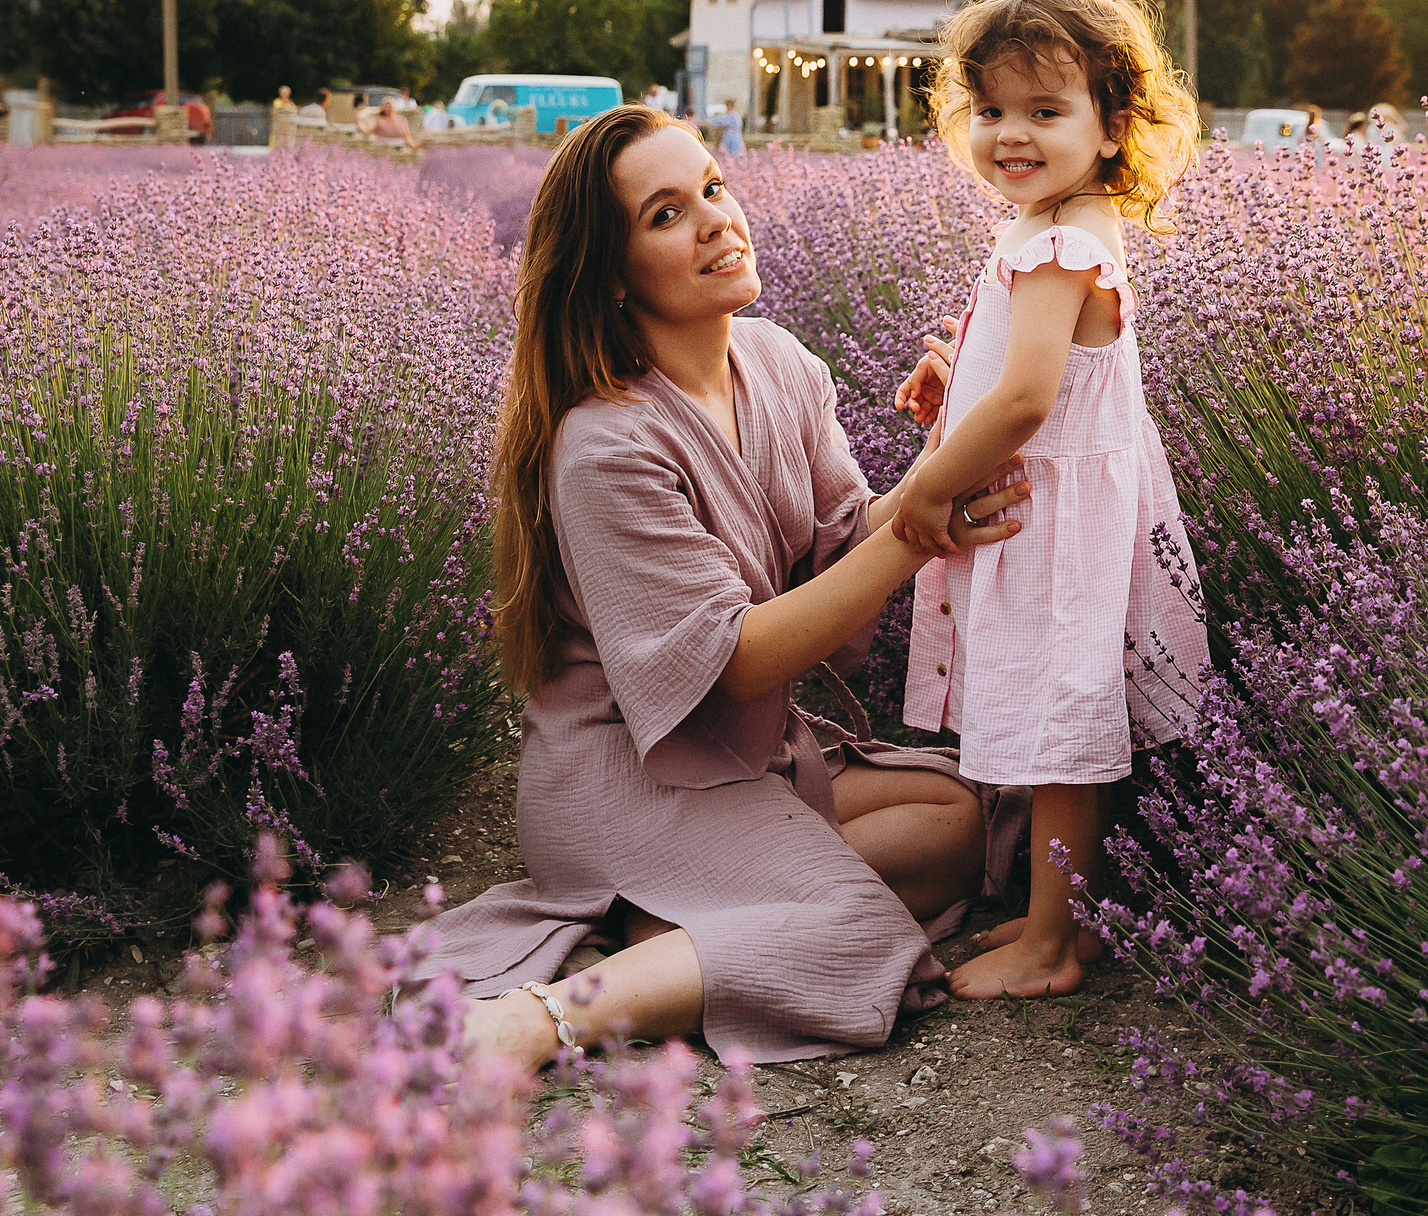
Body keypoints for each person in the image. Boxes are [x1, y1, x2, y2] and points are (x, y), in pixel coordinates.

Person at [428, 106, 1035, 1074]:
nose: (715, 220)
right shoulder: (605, 445)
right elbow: (738, 662)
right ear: (610, 273)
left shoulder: (780, 362)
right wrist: (919, 529)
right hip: (627, 777)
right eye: (666, 214)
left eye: (712, 187)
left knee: (964, 817)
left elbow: (846, 543)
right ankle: (536, 1020)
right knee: (852, 932)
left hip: (748, 760)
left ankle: (679, 928)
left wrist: (937, 463)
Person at [888, 0, 1209, 1000]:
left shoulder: (1063, 240)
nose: (1009, 135)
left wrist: (925, 490)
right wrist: (956, 376)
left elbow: (1027, 400)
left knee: (1062, 739)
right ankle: (1061, 923)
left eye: (1043, 111)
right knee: (1054, 723)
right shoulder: (1057, 222)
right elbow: (1031, 369)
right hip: (1061, 510)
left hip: (1051, 527)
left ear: (1113, 128)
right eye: (989, 111)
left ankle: (1053, 942)